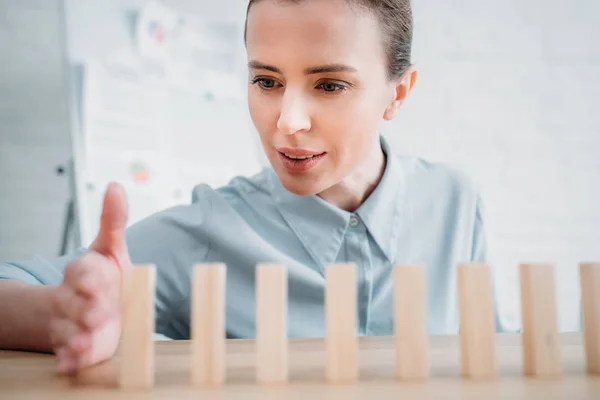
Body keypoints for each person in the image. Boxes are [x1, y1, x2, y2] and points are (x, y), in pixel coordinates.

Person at [0, 0, 503, 375]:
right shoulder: (209, 232)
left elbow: (494, 356)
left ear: (398, 93)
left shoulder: (454, 203)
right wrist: (62, 313)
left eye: (329, 85)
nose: (287, 122)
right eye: (267, 81)